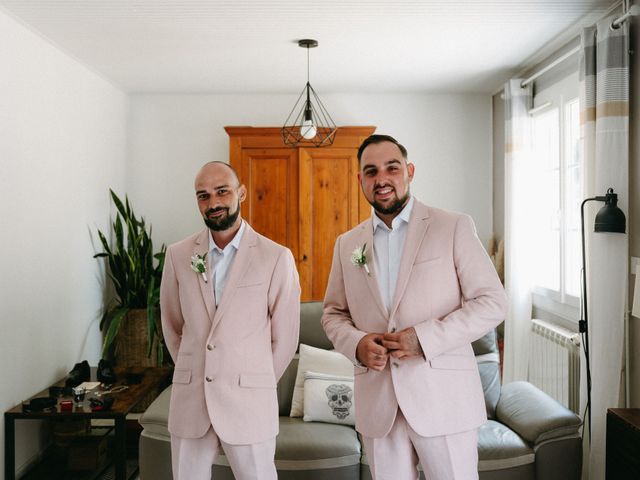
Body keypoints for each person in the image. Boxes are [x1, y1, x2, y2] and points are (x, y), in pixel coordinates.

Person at [321, 135, 508, 480]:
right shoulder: (347, 244)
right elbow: (333, 313)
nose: (382, 179)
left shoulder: (452, 226)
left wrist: (423, 339)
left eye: (391, 168)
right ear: (360, 180)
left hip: (445, 401)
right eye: (371, 171)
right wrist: (357, 345)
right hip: (379, 406)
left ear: (409, 171)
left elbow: (493, 303)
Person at [160, 161, 300, 480]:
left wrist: (255, 381)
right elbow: (172, 326)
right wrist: (195, 368)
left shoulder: (276, 257)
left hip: (249, 401)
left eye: (222, 191)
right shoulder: (179, 255)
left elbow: (285, 338)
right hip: (191, 398)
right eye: (203, 196)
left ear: (241, 193)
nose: (213, 203)